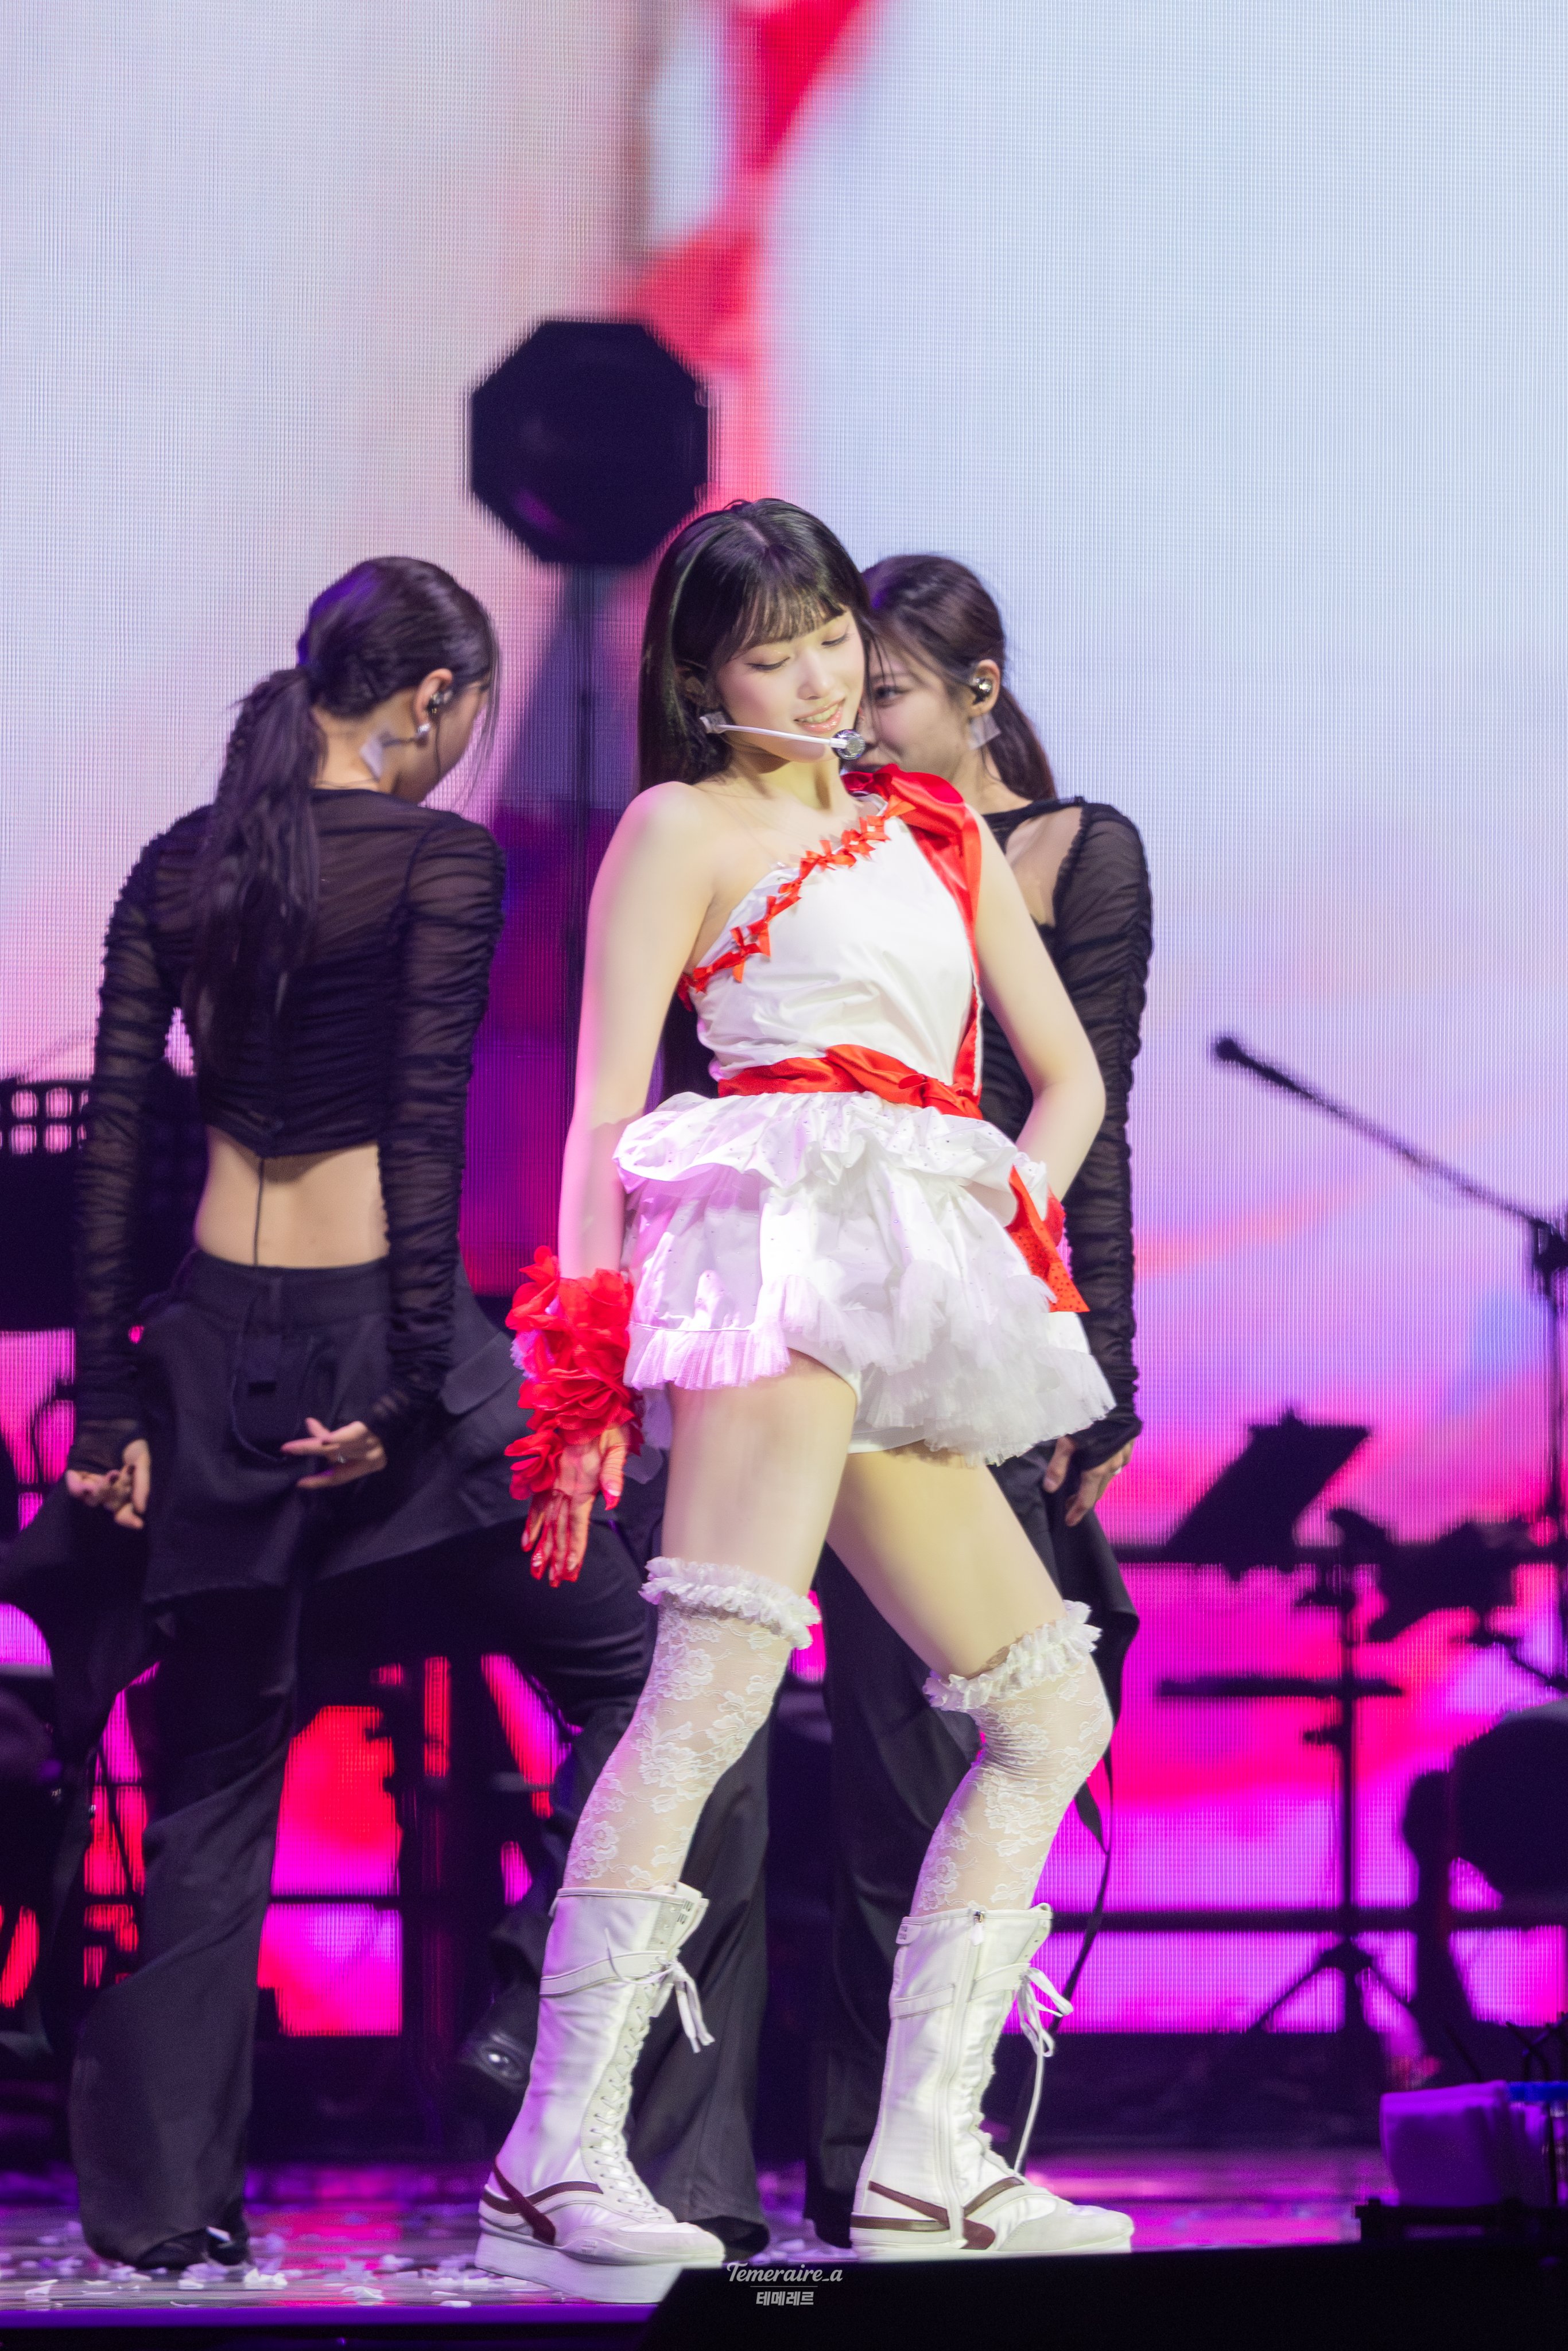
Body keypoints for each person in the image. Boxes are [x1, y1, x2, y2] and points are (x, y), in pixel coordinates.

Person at [474, 499, 1134, 2299]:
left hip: (906, 1286)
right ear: (702, 676)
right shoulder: (677, 827)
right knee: (709, 1694)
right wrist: (586, 1361)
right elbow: (603, 1108)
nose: (821, 676)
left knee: (1047, 1710)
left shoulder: (931, 824)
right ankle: (556, 2150)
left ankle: (925, 2158)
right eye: (774, 654)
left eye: (833, 636)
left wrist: (1001, 1219)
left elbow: (1065, 1077)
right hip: (770, 1252)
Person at [30, 556, 662, 2273]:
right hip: (386, 1348)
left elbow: (115, 1148)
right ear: (434, 699)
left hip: (211, 1356)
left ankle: (158, 2211)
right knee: (637, 1667)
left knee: (215, 1792)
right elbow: (422, 1128)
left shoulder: (179, 863)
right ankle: (525, 2007)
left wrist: (107, 1405)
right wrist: (403, 1380)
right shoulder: (438, 864)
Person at [802, 553, 1152, 2242]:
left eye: (883, 693)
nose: (856, 723)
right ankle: (867, 2159)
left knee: (1007, 1738)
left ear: (978, 693)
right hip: (850, 1329)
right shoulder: (846, 842)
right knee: (877, 1759)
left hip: (1001, 1337)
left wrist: (1103, 1367)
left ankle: (946, 2141)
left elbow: (1097, 1104)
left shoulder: (1075, 850)